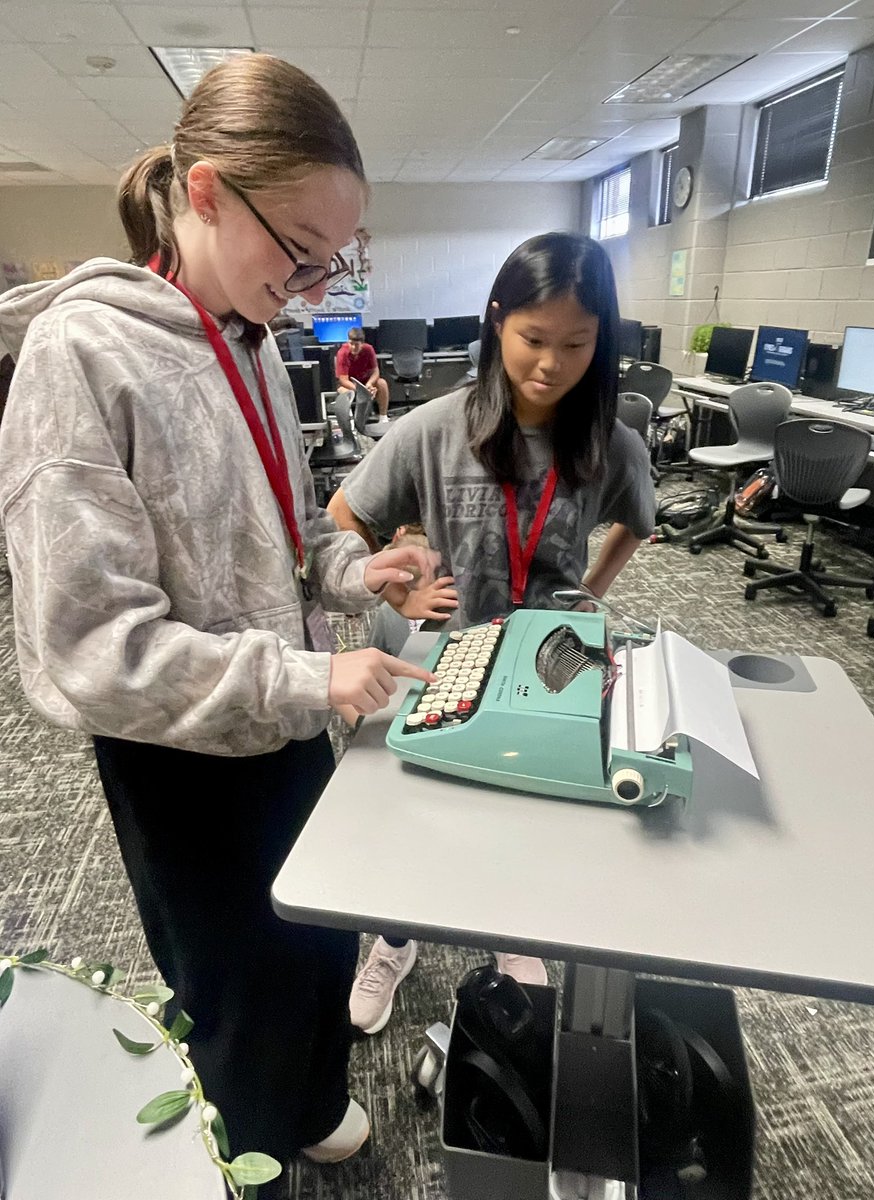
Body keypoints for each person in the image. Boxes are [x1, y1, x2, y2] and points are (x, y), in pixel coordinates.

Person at [0, 54, 438, 1180]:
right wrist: (305, 678)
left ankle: (305, 1100)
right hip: (182, 757)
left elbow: (288, 537)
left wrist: (359, 571)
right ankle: (249, 1146)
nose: (307, 285)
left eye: (326, 263)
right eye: (296, 251)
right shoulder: (81, 353)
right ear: (203, 192)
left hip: (288, 719)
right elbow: (89, 646)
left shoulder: (247, 337)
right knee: (232, 984)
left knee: (316, 941)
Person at [327, 232, 657, 1036]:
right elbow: (343, 521)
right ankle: (397, 937)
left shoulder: (610, 442)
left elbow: (635, 526)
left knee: (527, 814)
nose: (551, 363)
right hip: (445, 657)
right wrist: (398, 588)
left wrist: (586, 598)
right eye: (533, 339)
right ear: (498, 322)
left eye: (577, 344)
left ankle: (514, 937)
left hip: (548, 667)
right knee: (420, 815)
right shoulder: (436, 428)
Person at [335, 324, 389, 420]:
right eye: (351, 344)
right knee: (345, 392)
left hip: (366, 382)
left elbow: (375, 371)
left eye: (357, 345)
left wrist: (369, 384)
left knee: (382, 383)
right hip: (349, 384)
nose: (353, 347)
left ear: (362, 344)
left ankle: (383, 417)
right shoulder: (342, 353)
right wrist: (361, 389)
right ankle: (349, 421)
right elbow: (343, 380)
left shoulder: (369, 349)